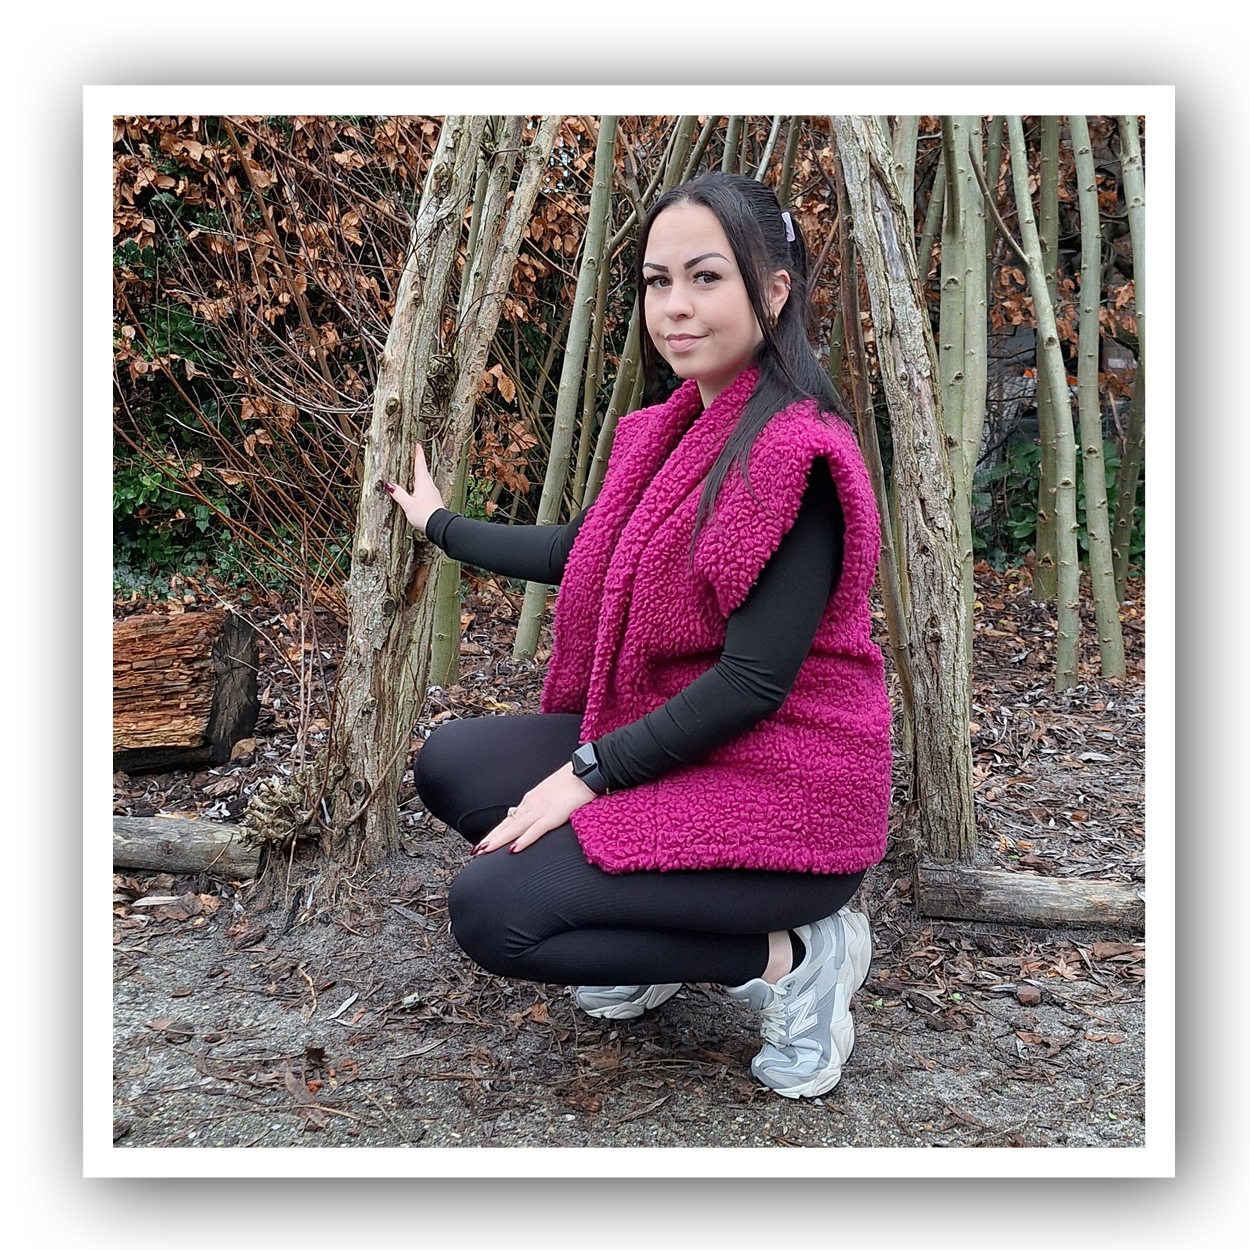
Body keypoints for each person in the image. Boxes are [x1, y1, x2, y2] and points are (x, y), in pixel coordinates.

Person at [386, 170, 892, 1100]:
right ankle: (652, 943)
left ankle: (797, 958)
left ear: (775, 289)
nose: (675, 307)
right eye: (658, 282)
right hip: (683, 744)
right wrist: (440, 526)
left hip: (791, 789)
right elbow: (582, 551)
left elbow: (752, 683)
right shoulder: (672, 430)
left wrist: (586, 774)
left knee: (494, 912)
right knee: (452, 765)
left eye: (706, 277)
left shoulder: (802, 455)